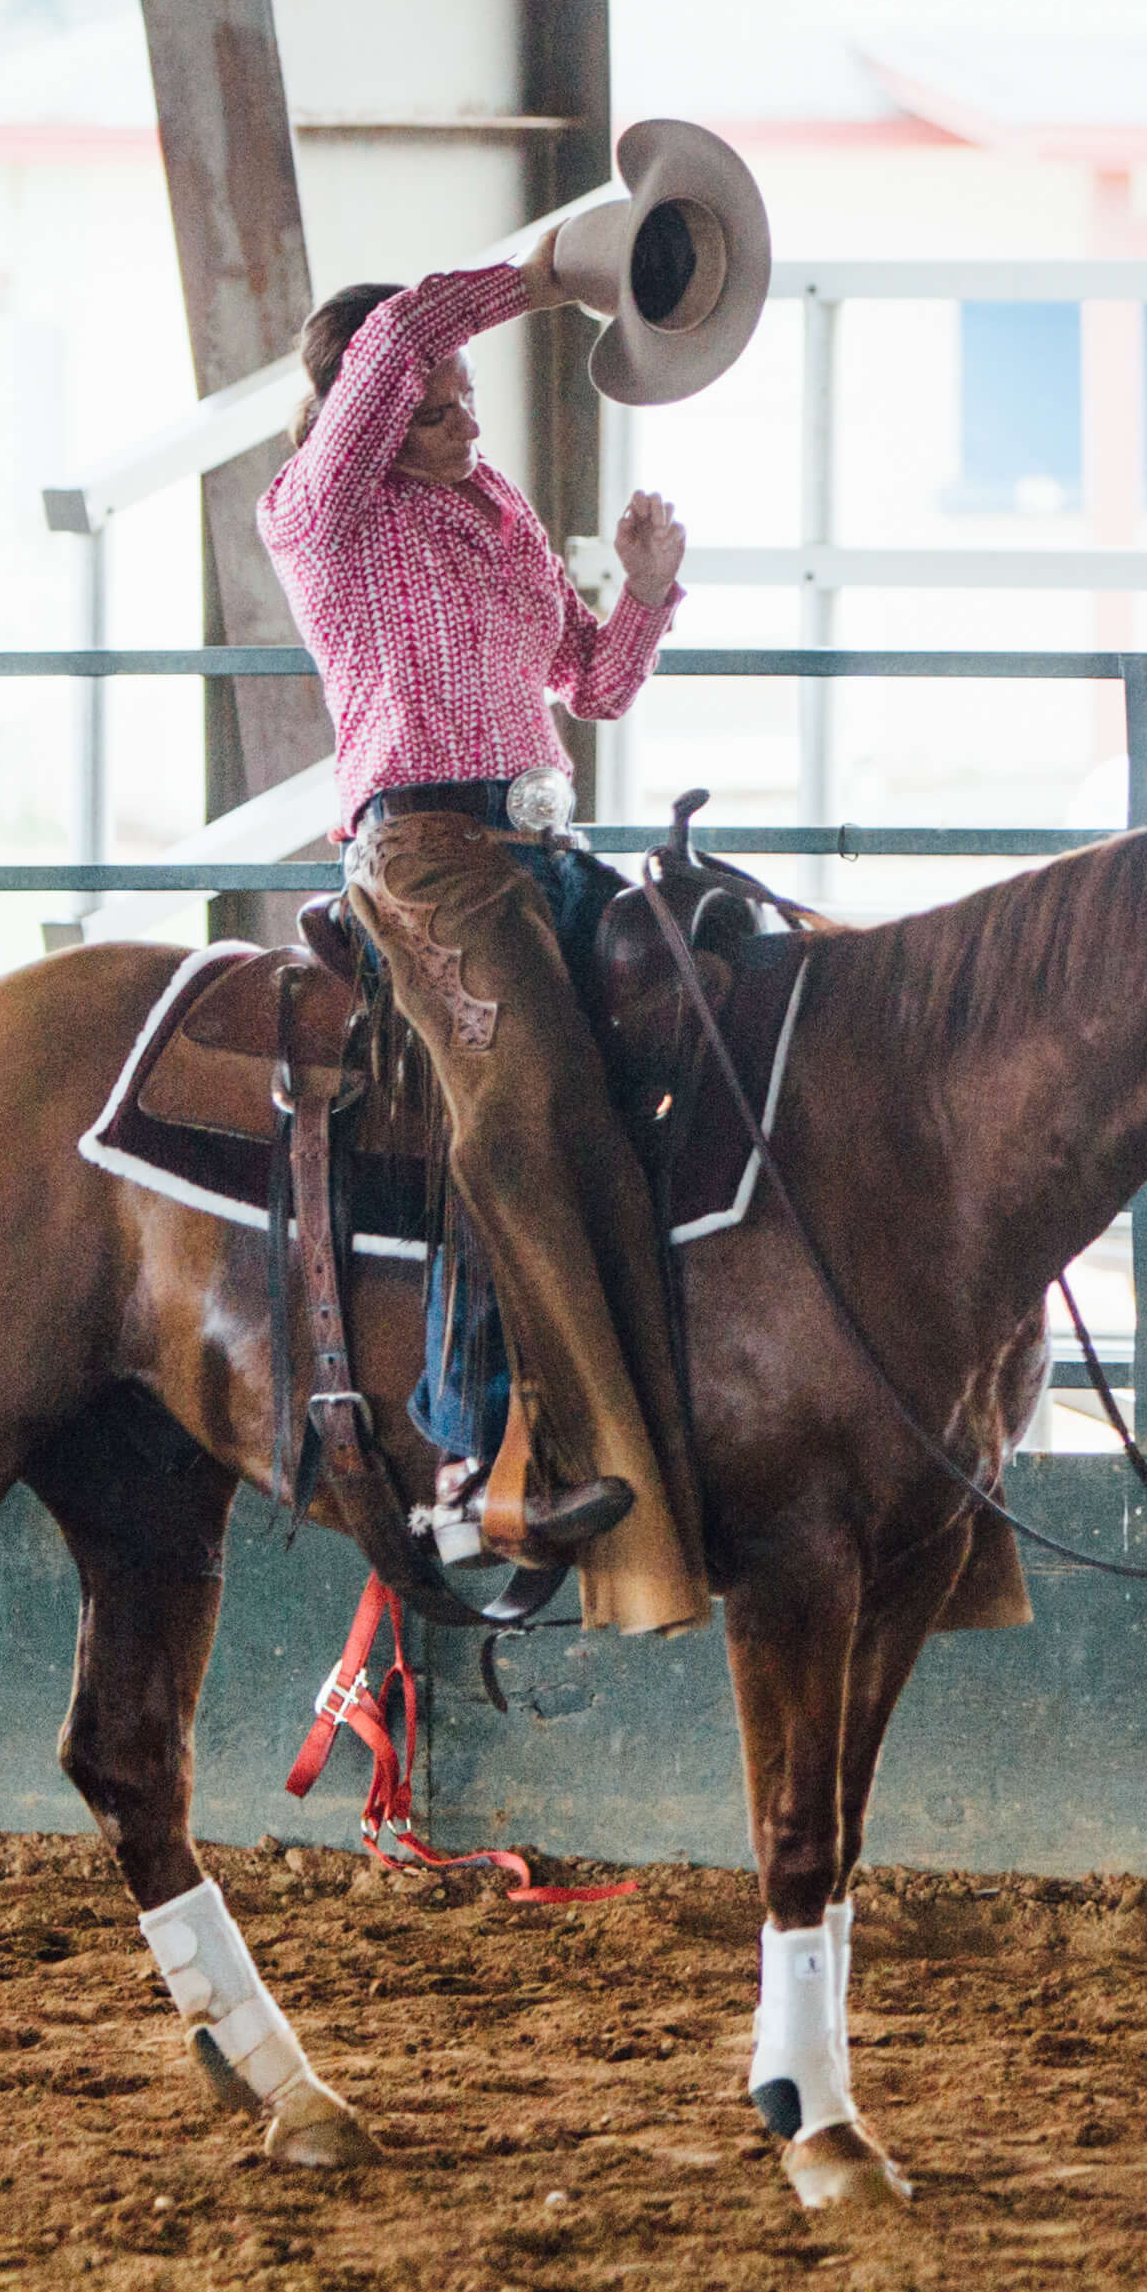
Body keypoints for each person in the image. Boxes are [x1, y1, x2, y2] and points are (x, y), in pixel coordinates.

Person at [259, 247, 713, 1634]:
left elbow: (592, 685)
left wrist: (645, 590)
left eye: (468, 395)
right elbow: (402, 328)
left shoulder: (497, 505)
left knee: (709, 1004)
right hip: (426, 854)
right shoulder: (321, 510)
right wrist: (556, 270)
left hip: (543, 848)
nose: (466, 414)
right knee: (524, 1091)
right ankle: (468, 1457)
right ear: (368, 408)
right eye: (438, 400)